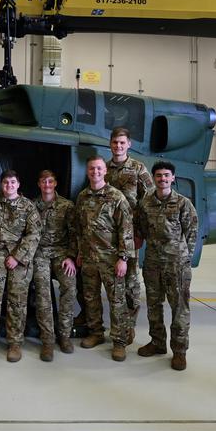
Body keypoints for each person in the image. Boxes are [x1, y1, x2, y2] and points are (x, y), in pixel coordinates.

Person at [135, 161, 198, 371]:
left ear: (173, 178)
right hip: (153, 263)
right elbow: (142, 229)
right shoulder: (145, 203)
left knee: (179, 307)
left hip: (177, 265)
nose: (162, 179)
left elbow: (191, 231)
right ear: (154, 178)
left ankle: (179, 351)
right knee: (153, 305)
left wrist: (184, 258)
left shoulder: (182, 203)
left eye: (166, 175)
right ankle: (157, 342)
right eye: (159, 175)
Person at [75, 155, 135, 362]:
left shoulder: (116, 197)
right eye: (92, 169)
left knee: (117, 301)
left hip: (111, 259)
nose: (95, 172)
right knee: (90, 299)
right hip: (90, 258)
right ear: (87, 171)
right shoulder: (82, 197)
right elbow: (80, 229)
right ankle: (96, 333)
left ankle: (119, 341)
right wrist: (80, 253)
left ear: (105, 171)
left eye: (99, 169)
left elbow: (126, 229)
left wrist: (123, 258)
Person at [0, 170, 41, 362]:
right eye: (5, 182)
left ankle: (14, 343)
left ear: (18, 185)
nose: (9, 186)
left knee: (17, 302)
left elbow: (34, 234)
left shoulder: (28, 206)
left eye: (13, 182)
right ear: (1, 184)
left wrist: (17, 256)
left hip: (19, 259)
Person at [104, 126, 155, 344]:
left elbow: (150, 202)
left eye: (122, 143)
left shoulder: (138, 169)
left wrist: (141, 233)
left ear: (129, 145)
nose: (118, 146)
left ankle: (129, 327)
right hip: (107, 236)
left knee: (131, 284)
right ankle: (116, 325)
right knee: (114, 283)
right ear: (110, 144)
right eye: (115, 142)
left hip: (130, 235)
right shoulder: (103, 169)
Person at [30, 170, 78, 361]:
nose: (47, 184)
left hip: (61, 254)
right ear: (39, 184)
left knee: (69, 286)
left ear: (55, 183)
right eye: (44, 181)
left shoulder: (66, 206)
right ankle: (48, 339)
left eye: (50, 181)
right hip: (40, 254)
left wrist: (71, 257)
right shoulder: (32, 206)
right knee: (43, 293)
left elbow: (74, 234)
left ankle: (64, 334)